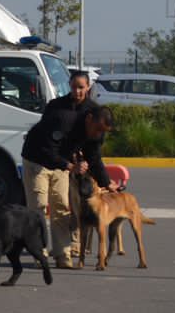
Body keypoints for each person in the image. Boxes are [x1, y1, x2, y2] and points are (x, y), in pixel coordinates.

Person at [21, 102, 116, 268]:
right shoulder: (63, 121)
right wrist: (71, 167)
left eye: (102, 132)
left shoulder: (95, 133)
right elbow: (47, 151)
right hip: (37, 160)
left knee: (62, 207)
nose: (98, 134)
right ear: (89, 119)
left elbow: (94, 159)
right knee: (38, 207)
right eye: (98, 129)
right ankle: (40, 254)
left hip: (61, 164)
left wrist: (107, 183)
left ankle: (62, 255)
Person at [46, 70, 93, 258]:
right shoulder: (57, 106)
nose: (77, 91)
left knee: (77, 207)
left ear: (87, 87)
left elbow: (94, 142)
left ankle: (76, 244)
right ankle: (65, 245)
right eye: (74, 87)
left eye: (81, 87)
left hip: (82, 166)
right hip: (63, 163)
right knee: (65, 205)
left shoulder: (92, 109)